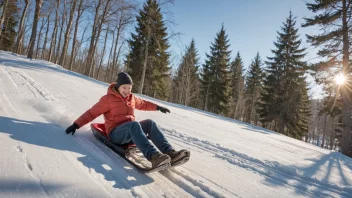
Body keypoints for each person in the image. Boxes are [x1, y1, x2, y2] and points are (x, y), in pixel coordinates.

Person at [65, 72, 187, 168]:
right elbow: (92, 113)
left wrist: (158, 107)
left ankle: (170, 152)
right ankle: (154, 157)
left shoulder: (131, 97)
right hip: (115, 134)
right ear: (118, 87)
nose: (127, 91)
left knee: (150, 123)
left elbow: (143, 104)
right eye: (124, 87)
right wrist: (76, 124)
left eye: (129, 88)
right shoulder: (107, 99)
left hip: (130, 130)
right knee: (133, 125)